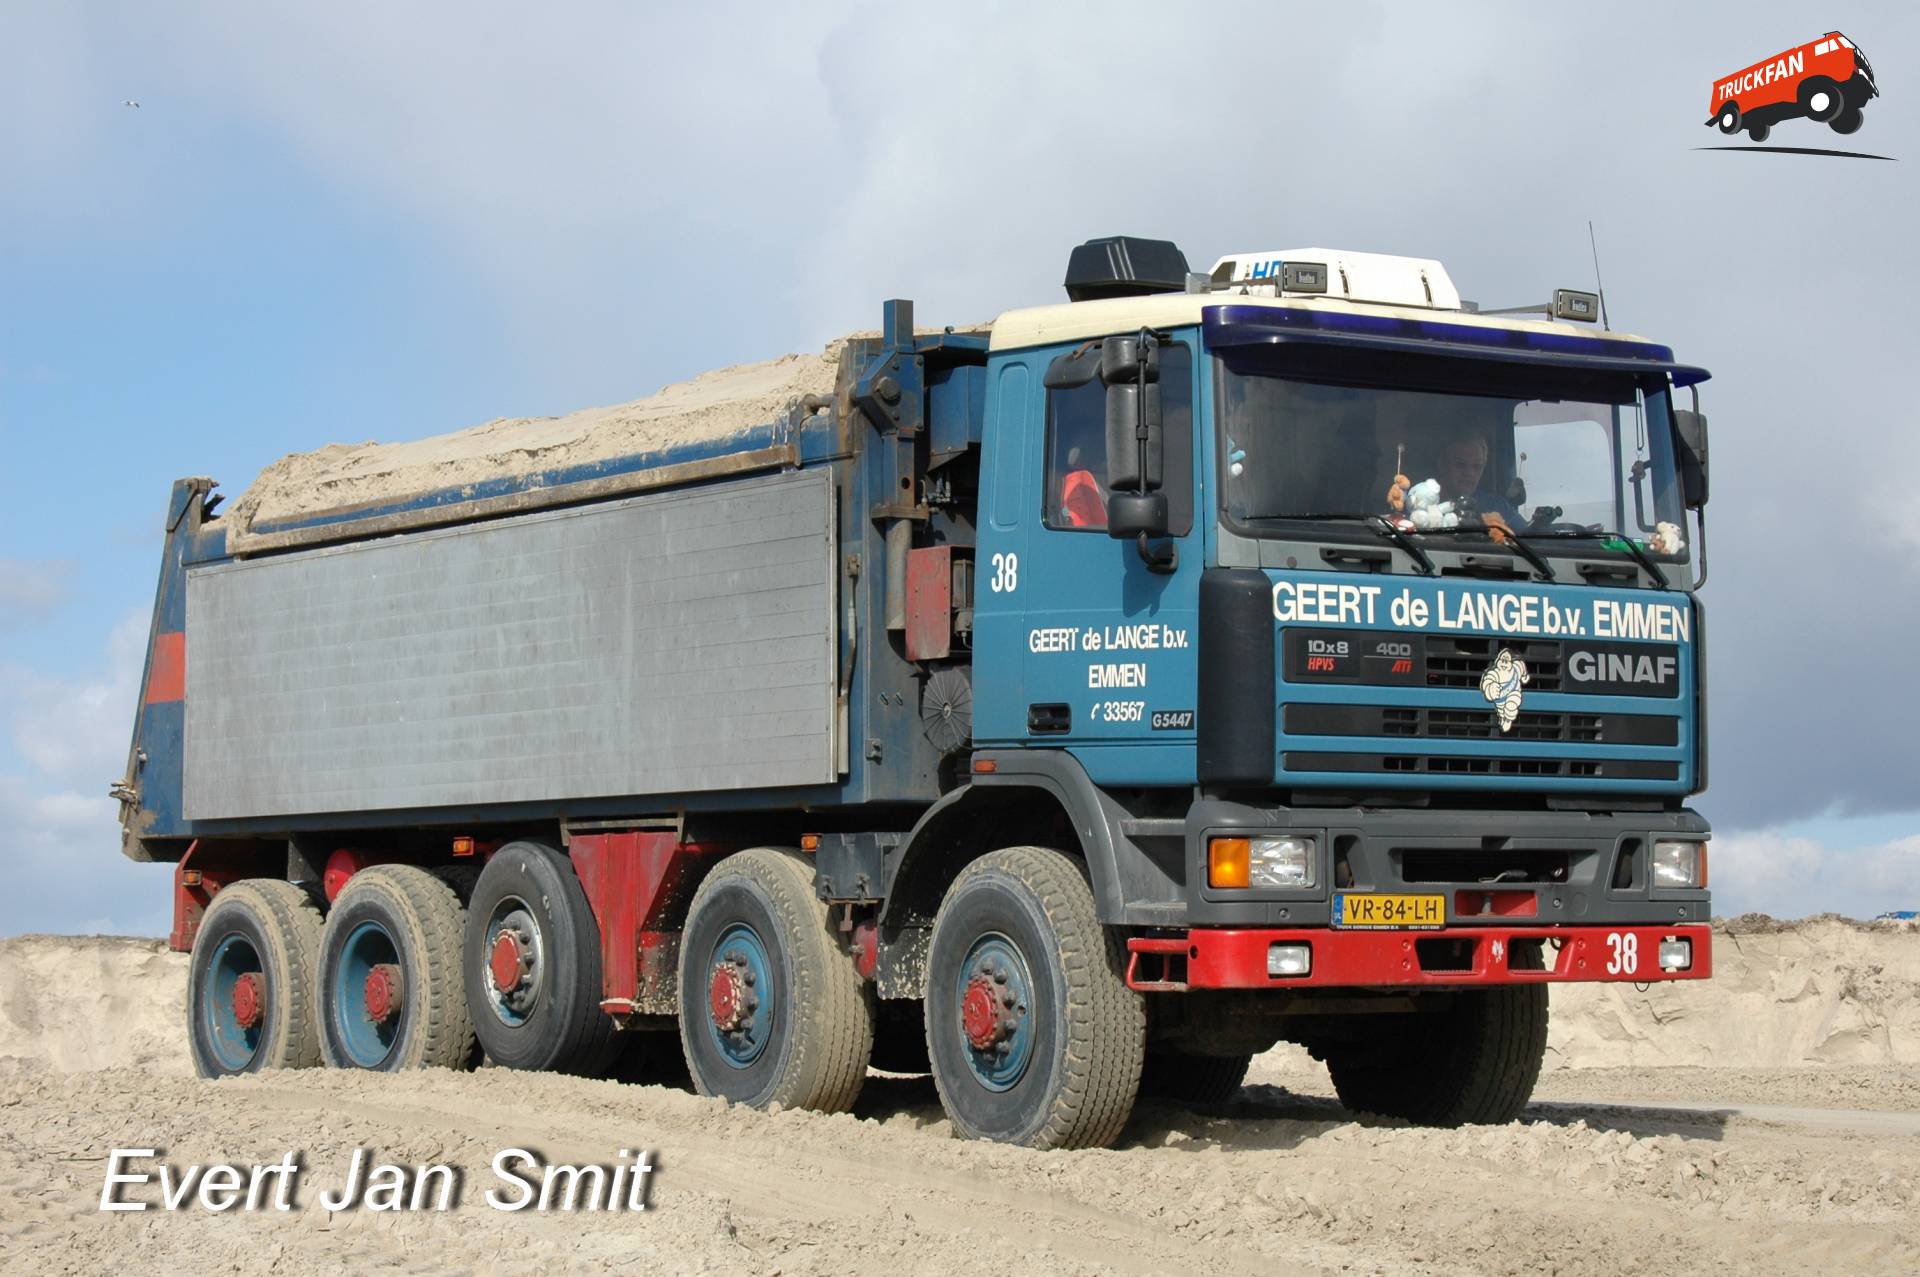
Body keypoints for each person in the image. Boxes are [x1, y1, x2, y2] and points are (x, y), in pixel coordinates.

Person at [1433, 429, 1520, 524]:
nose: (1470, 473)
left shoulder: (1495, 507)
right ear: (1441, 465)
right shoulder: (1420, 503)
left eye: (1477, 466)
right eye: (1460, 465)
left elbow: (1526, 535)